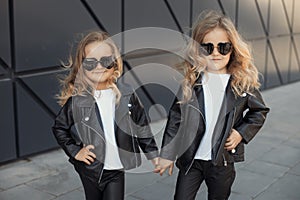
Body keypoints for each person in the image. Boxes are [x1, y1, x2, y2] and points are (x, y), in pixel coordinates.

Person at [157, 10, 270, 200]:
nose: (215, 53)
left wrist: (240, 132)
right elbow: (175, 119)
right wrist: (167, 153)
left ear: (232, 48)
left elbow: (259, 111)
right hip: (191, 159)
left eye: (223, 47)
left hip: (222, 161)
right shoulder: (192, 82)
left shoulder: (241, 83)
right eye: (207, 48)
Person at [52, 31, 159, 200]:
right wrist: (75, 151)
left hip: (116, 170)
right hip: (90, 169)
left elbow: (141, 126)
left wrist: (153, 154)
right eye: (90, 62)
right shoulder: (78, 100)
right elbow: (59, 128)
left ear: (115, 64)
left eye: (105, 60)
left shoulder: (126, 95)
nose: (99, 67)